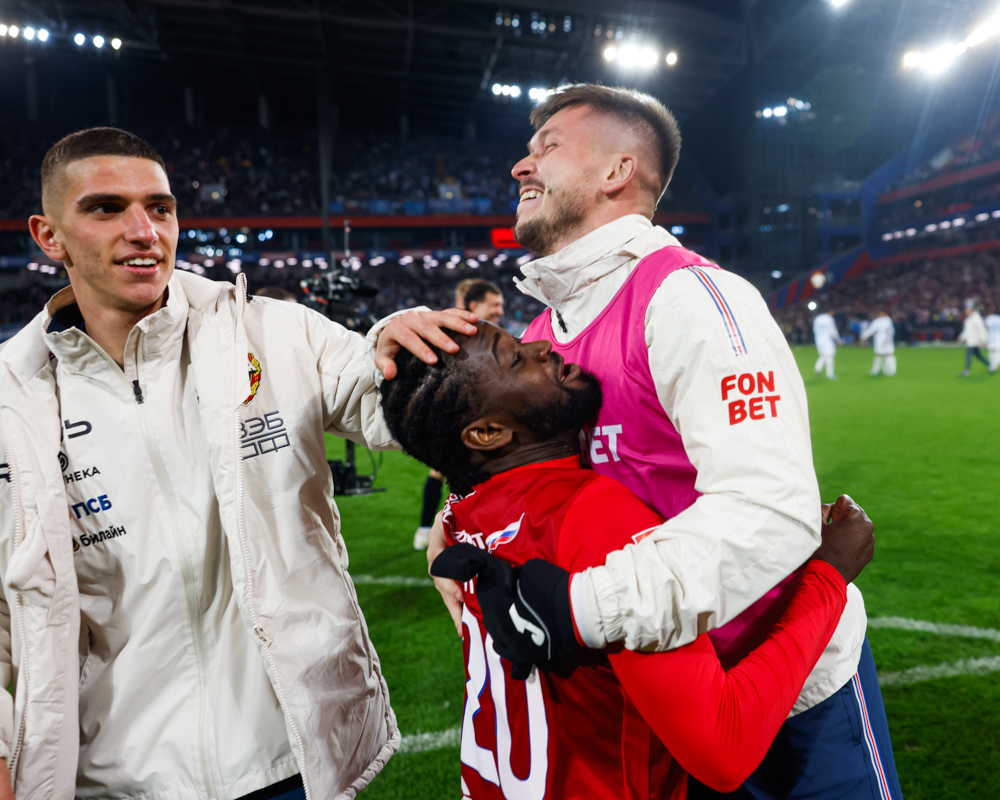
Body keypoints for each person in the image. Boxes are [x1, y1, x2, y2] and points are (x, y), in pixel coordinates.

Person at [373, 84, 901, 800]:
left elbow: (770, 511)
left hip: (787, 688)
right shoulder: (540, 335)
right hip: (662, 693)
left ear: (617, 171)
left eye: (548, 147)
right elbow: (523, 481)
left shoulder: (690, 299)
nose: (521, 167)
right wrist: (456, 516)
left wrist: (577, 610)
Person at [0, 127, 474, 800]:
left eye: (160, 208)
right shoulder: (11, 396)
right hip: (111, 778)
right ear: (48, 236)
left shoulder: (272, 332)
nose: (143, 231)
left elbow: (385, 398)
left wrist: (412, 350)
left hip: (288, 758)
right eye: (106, 208)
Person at [379, 321, 875, 800]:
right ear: (488, 433)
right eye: (515, 359)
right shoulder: (591, 518)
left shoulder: (461, 517)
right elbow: (723, 749)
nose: (542, 347)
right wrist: (829, 575)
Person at [413, 279, 501, 550]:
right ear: (473, 303)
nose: (499, 311)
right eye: (494, 305)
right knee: (447, 471)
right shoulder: (453, 334)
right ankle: (432, 529)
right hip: (456, 412)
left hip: (483, 412)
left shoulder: (493, 334)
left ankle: (444, 531)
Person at [860, 312, 896, 376]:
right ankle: (890, 370)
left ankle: (876, 370)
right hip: (888, 339)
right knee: (889, 354)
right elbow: (892, 331)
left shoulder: (877, 321)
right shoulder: (889, 320)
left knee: (878, 354)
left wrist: (863, 337)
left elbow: (871, 330)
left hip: (880, 339)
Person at [959, 304, 990, 376]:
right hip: (971, 341)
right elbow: (967, 331)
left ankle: (966, 371)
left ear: (971, 311)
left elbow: (982, 330)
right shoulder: (969, 320)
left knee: (968, 355)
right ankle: (990, 366)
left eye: (968, 310)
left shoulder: (977, 319)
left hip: (975, 341)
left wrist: (984, 340)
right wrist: (962, 337)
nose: (966, 312)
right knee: (979, 356)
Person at [813, 310, 842, 379]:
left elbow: (814, 329)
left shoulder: (817, 318)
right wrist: (838, 339)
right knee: (830, 356)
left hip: (818, 340)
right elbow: (833, 330)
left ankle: (818, 368)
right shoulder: (829, 319)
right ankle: (830, 374)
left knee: (823, 355)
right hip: (827, 340)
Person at [986, 309, 1000, 373]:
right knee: (998, 352)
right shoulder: (999, 318)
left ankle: (992, 366)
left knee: (991, 351)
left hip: (991, 337)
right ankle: (995, 365)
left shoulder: (988, 319)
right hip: (998, 337)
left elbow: (987, 328)